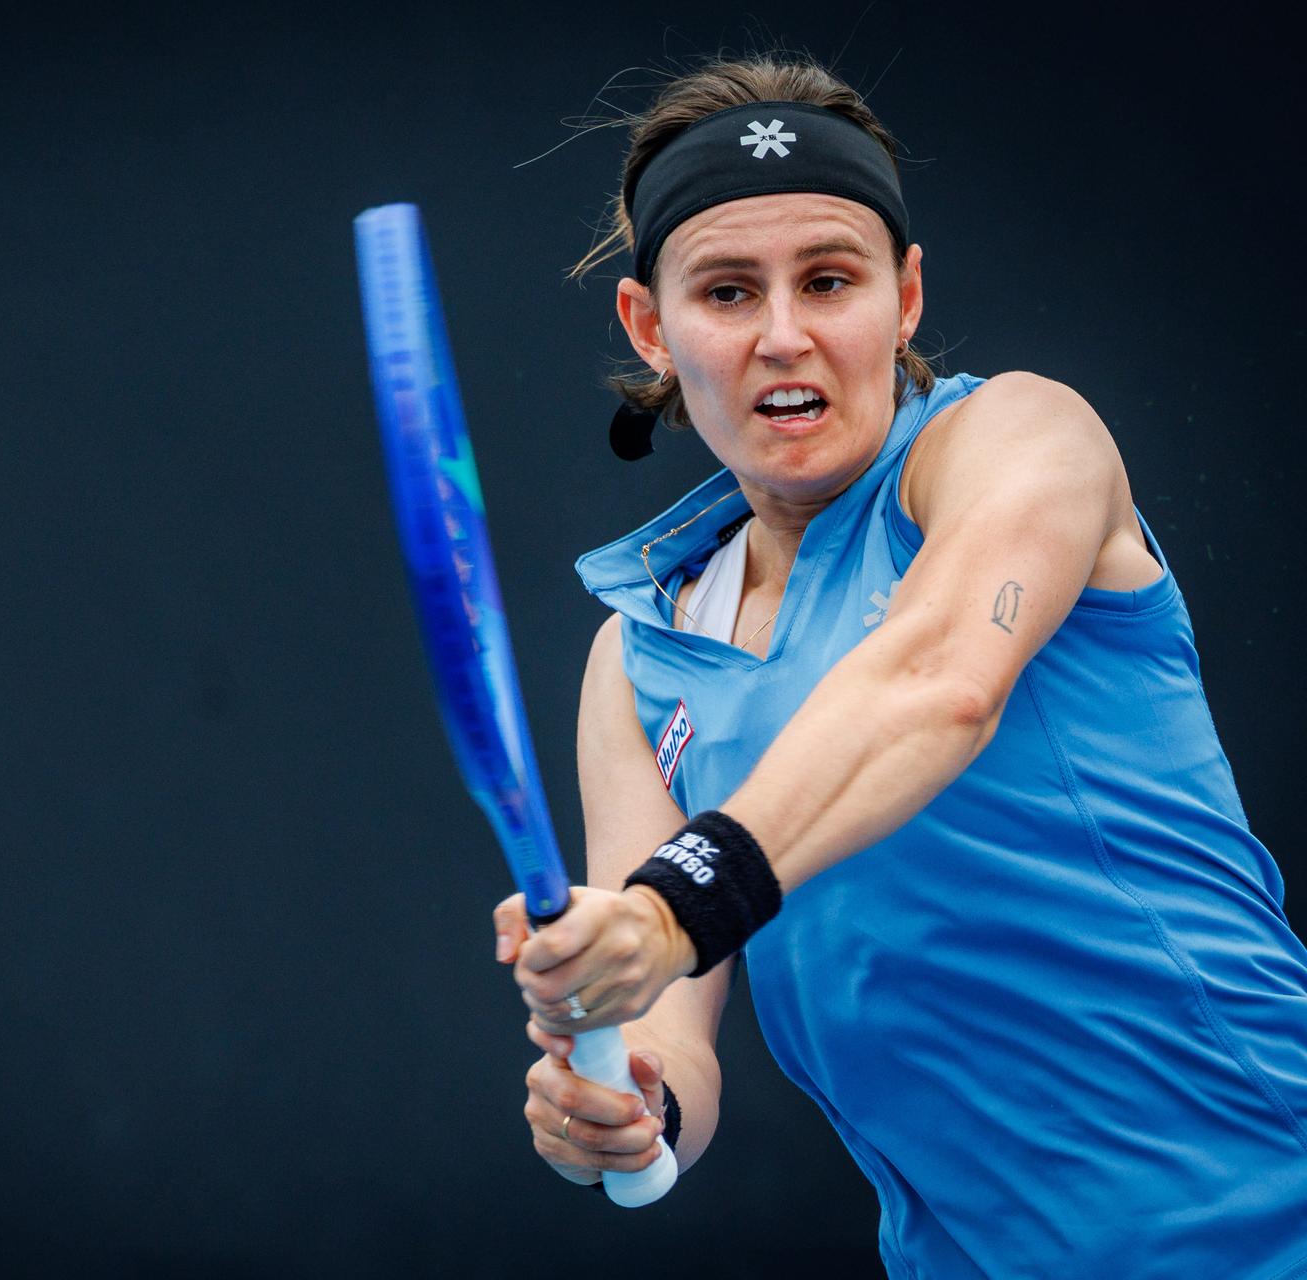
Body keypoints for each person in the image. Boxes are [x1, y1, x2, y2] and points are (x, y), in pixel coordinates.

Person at [491, 54, 1307, 1278]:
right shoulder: (637, 657)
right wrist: (630, 1099)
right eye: (725, 291)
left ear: (906, 296)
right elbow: (671, 1015)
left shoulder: (1023, 439)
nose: (784, 335)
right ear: (650, 328)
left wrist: (665, 910)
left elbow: (938, 680)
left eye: (829, 279)